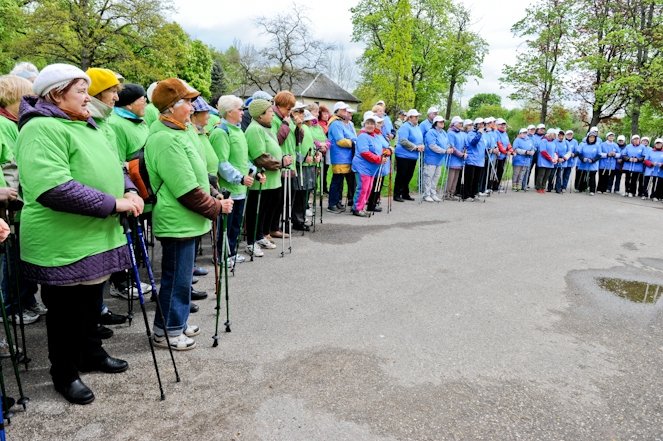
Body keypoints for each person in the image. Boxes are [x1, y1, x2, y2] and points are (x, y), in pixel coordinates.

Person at [16, 63, 144, 404]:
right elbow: (52, 187)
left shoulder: (89, 124)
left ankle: (91, 353)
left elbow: (115, 166)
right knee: (64, 311)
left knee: (91, 302)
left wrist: (129, 190)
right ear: (57, 94)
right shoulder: (41, 128)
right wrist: (114, 203)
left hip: (96, 235)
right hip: (63, 239)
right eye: (81, 91)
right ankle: (64, 372)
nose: (89, 98)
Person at [144, 78, 233, 351]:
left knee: (181, 278)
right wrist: (216, 207)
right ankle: (167, 331)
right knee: (176, 279)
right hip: (177, 220)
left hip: (188, 221)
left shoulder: (180, 131)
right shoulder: (165, 139)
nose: (193, 106)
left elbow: (196, 175)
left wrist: (214, 190)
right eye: (188, 102)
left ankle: (177, 322)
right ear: (171, 107)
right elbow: (186, 190)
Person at [209, 95, 259, 263]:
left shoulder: (238, 131)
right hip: (227, 189)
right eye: (240, 109)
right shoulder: (221, 133)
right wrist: (240, 178)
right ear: (229, 112)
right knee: (226, 225)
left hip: (241, 188)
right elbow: (222, 164)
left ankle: (231, 252)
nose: (242, 113)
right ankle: (221, 255)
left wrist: (254, 171)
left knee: (236, 224)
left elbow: (243, 159)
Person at [243, 99, 285, 257]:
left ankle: (260, 236)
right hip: (261, 179)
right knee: (256, 210)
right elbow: (259, 156)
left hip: (272, 180)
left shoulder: (267, 127)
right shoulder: (255, 130)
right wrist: (280, 163)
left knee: (266, 210)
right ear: (260, 115)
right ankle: (252, 241)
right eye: (269, 111)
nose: (273, 113)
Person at [351, 112, 385, 217]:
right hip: (363, 167)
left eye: (372, 123)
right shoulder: (363, 136)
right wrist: (379, 159)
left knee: (369, 188)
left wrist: (386, 152)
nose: (370, 125)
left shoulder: (375, 136)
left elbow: (380, 149)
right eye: (368, 123)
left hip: (371, 169)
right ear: (364, 125)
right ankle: (357, 208)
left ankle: (362, 207)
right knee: (363, 188)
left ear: (375, 125)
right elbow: (364, 152)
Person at [327, 101, 356, 213]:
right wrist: (354, 143)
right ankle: (332, 204)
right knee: (336, 181)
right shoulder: (335, 123)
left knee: (340, 182)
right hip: (339, 157)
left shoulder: (341, 123)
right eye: (343, 110)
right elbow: (340, 141)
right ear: (337, 111)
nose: (346, 111)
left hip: (345, 157)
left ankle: (337, 202)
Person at [394, 109, 424, 202]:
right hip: (403, 155)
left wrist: (422, 145)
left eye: (418, 116)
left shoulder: (417, 127)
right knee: (401, 175)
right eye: (415, 117)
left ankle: (405, 193)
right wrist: (415, 147)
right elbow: (403, 141)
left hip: (413, 156)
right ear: (410, 117)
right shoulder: (405, 126)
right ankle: (397, 194)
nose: (417, 118)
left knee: (408, 175)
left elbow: (420, 139)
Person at [422, 115, 450, 201]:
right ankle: (426, 194)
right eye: (440, 122)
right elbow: (432, 146)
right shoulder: (431, 132)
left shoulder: (444, 132)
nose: (442, 123)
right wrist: (444, 151)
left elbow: (447, 143)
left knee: (436, 177)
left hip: (440, 159)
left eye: (443, 122)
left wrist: (448, 148)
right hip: (431, 158)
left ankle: (433, 193)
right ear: (435, 123)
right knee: (429, 176)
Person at [462, 118, 484, 200]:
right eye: (480, 124)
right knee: (469, 179)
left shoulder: (482, 134)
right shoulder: (471, 134)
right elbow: (473, 142)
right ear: (476, 125)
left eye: (482, 124)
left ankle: (473, 194)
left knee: (476, 179)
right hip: (471, 159)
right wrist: (479, 134)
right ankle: (466, 195)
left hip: (480, 160)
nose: (481, 125)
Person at [445, 116, 466, 200]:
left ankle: (452, 193)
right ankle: (447, 194)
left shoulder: (461, 133)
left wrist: (465, 152)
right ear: (454, 124)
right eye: (459, 123)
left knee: (456, 178)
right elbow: (452, 147)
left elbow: (464, 145)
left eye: (461, 123)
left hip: (460, 160)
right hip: (453, 159)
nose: (461, 124)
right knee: (451, 178)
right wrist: (461, 154)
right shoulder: (450, 133)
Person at [576, 128, 601, 195]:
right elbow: (579, 153)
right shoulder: (584, 144)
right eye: (590, 137)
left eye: (593, 137)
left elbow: (599, 155)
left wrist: (593, 160)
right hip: (584, 163)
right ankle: (580, 188)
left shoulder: (597, 145)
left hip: (592, 164)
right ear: (588, 138)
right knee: (582, 175)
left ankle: (592, 190)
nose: (591, 139)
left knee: (592, 177)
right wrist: (582, 158)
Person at [534, 128, 557, 193]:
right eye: (554, 134)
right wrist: (550, 159)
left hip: (550, 162)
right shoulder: (543, 141)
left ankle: (543, 187)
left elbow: (555, 151)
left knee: (546, 176)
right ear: (550, 134)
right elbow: (543, 151)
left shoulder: (553, 142)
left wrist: (555, 158)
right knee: (541, 175)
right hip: (543, 161)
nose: (555, 135)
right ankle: (538, 187)